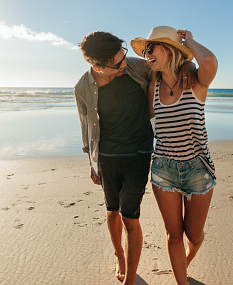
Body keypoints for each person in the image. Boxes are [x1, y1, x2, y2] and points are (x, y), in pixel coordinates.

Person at [74, 31, 196, 284]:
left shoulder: (135, 67)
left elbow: (169, 62)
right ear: (97, 66)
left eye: (124, 56)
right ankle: (119, 254)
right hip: (107, 156)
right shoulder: (82, 88)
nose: (124, 64)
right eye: (118, 63)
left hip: (139, 153)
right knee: (112, 211)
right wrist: (92, 163)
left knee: (130, 217)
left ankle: (130, 280)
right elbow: (86, 127)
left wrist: (188, 64)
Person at [131, 26, 218, 285]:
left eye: (151, 48)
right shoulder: (153, 87)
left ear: (168, 50)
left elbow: (210, 61)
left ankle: (188, 256)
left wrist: (189, 42)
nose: (146, 54)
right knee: (173, 234)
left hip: (198, 169)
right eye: (145, 50)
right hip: (163, 169)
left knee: (194, 234)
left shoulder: (197, 81)